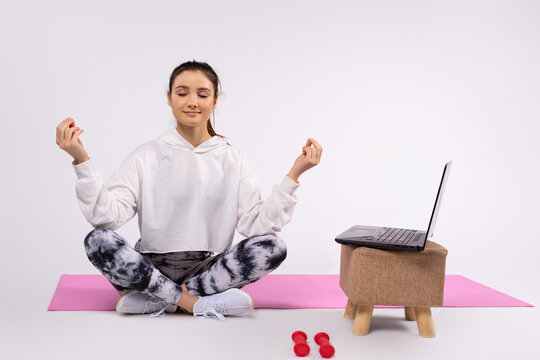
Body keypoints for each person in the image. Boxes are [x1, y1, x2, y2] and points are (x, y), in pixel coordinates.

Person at [55, 60, 323, 320]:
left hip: (208, 271)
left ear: (214, 101)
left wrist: (294, 175)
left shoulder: (233, 159)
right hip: (152, 268)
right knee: (97, 240)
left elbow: (256, 226)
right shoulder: (146, 155)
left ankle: (159, 299)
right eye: (182, 93)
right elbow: (106, 217)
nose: (192, 101)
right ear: (169, 98)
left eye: (202, 94)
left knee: (273, 246)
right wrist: (81, 160)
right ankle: (190, 302)